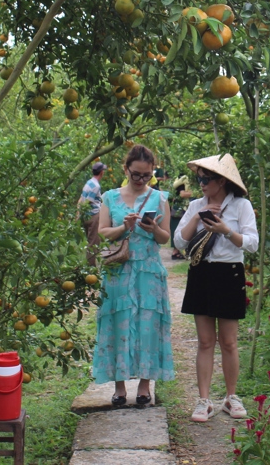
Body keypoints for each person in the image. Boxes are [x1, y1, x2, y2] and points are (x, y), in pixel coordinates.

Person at [174, 153, 259, 422]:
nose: (201, 183)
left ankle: (231, 397)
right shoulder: (197, 205)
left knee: (229, 342)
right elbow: (178, 242)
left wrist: (225, 230)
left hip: (228, 273)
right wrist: (197, 218)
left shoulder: (241, 206)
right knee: (205, 341)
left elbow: (252, 243)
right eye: (199, 178)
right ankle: (203, 400)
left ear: (221, 181)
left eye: (206, 179)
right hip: (202, 273)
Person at [92, 145, 175, 406]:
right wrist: (123, 227)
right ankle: (119, 387)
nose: (140, 181)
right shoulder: (109, 197)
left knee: (148, 324)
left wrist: (151, 228)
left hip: (148, 272)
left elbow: (165, 238)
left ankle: (144, 386)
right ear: (125, 169)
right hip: (119, 271)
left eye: (146, 175)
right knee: (119, 323)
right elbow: (103, 231)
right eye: (136, 174)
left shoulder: (160, 198)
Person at [77, 162, 107, 264]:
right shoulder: (96, 186)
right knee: (93, 243)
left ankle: (90, 266)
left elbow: (81, 199)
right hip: (93, 215)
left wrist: (79, 214)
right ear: (101, 172)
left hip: (86, 216)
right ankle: (91, 269)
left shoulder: (89, 182)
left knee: (91, 241)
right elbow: (88, 201)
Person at [169, 173, 193, 260]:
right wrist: (195, 193)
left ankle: (178, 251)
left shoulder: (178, 181)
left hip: (180, 208)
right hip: (179, 209)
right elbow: (182, 194)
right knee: (177, 228)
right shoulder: (183, 181)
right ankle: (175, 252)